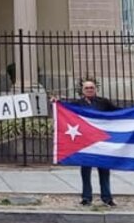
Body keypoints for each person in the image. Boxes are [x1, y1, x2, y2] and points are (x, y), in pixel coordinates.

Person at [53, 77, 119, 207]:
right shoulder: (78, 104)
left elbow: (118, 111)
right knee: (85, 171)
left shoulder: (103, 102)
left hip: (101, 141)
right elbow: (66, 109)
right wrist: (57, 103)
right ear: (82, 91)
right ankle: (86, 197)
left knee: (104, 170)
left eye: (91, 87)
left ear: (96, 89)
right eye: (86, 88)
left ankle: (107, 198)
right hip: (85, 143)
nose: (89, 90)